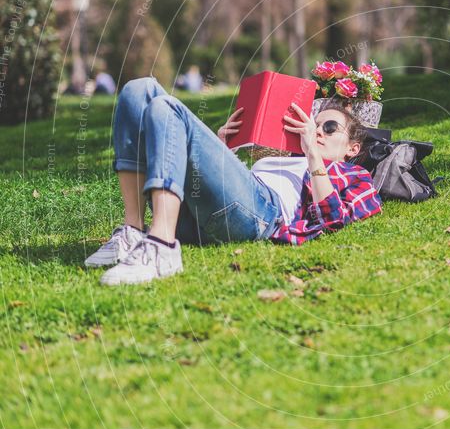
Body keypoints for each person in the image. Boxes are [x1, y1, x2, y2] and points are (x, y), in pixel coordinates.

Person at [84, 77, 382, 286]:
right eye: (313, 124)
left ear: (352, 148)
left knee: (166, 108)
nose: (316, 130)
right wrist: (215, 148)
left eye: (329, 127)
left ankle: (161, 245)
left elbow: (333, 219)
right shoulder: (283, 159)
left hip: (264, 214)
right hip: (206, 214)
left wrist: (313, 155)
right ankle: (133, 232)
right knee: (139, 89)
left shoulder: (354, 175)